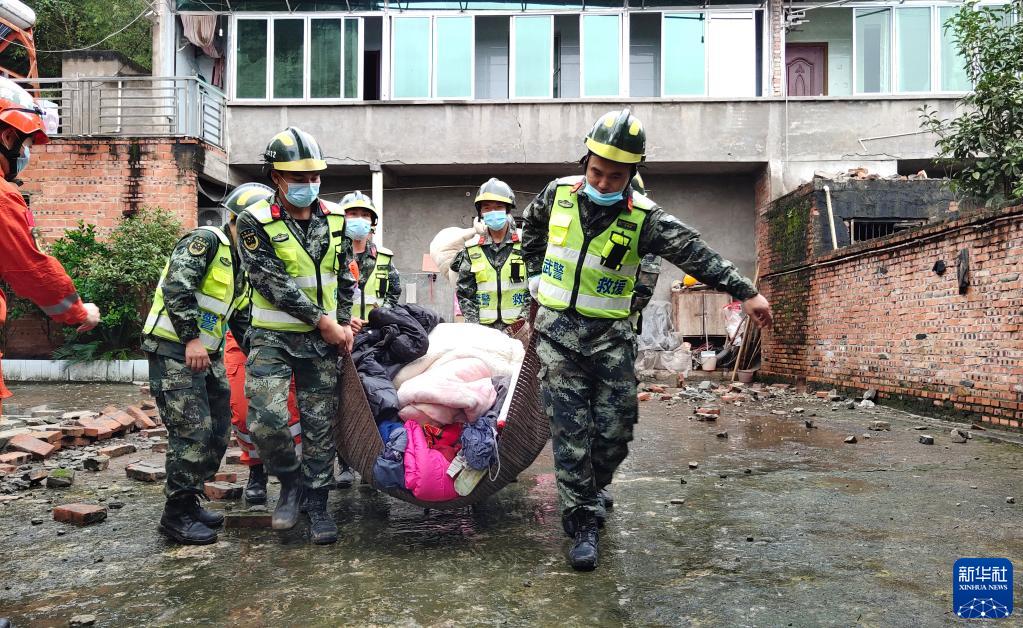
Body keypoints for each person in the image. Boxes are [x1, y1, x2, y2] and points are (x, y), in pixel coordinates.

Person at [521, 108, 773, 571]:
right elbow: (531, 231)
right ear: (586, 161)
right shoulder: (556, 194)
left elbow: (698, 254)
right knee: (571, 431)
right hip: (556, 335)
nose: (602, 182)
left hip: (610, 339)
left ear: (632, 174)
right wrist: (535, 275)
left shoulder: (647, 219)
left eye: (615, 176)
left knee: (612, 431)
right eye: (596, 171)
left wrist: (747, 291)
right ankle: (581, 522)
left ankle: (596, 486)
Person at [236, 127, 355, 545]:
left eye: (314, 177)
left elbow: (344, 276)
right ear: (276, 178)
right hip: (272, 337)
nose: (308, 185)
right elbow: (269, 280)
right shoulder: (255, 221)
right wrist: (324, 321)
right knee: (267, 418)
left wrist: (344, 321)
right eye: (298, 178)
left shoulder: (336, 218)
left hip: (321, 346)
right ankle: (288, 482)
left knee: (320, 426)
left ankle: (318, 504)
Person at [142, 182, 252, 545]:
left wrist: (259, 353)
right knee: (191, 431)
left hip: (208, 353)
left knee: (218, 430)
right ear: (236, 220)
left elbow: (238, 317)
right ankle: (175, 516)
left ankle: (189, 499)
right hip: (175, 348)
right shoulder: (206, 242)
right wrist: (190, 338)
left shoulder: (244, 263)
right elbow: (177, 288)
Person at [0, 76, 101, 416]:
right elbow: (31, 269)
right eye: (25, 142)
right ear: (6, 136)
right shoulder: (2, 197)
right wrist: (78, 312)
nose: (26, 153)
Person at [212, 183, 303, 505]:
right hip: (238, 340)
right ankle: (256, 471)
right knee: (241, 410)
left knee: (287, 413)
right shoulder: (221, 254)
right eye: (241, 223)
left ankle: (294, 477)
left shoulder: (281, 250)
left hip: (281, 339)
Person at [453, 178, 530, 331]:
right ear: (480, 213)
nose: (493, 212)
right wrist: (476, 328)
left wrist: (522, 322)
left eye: (499, 207)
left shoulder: (526, 243)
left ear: (508, 210)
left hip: (521, 328)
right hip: (484, 330)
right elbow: (465, 292)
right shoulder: (472, 249)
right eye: (487, 208)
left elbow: (536, 287)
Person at [343, 190, 401, 331]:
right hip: (340, 331)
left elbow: (393, 293)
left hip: (375, 332)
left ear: (372, 222)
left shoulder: (384, 258)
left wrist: (379, 318)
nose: (360, 219)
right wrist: (344, 320)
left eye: (365, 215)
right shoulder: (331, 255)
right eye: (353, 214)